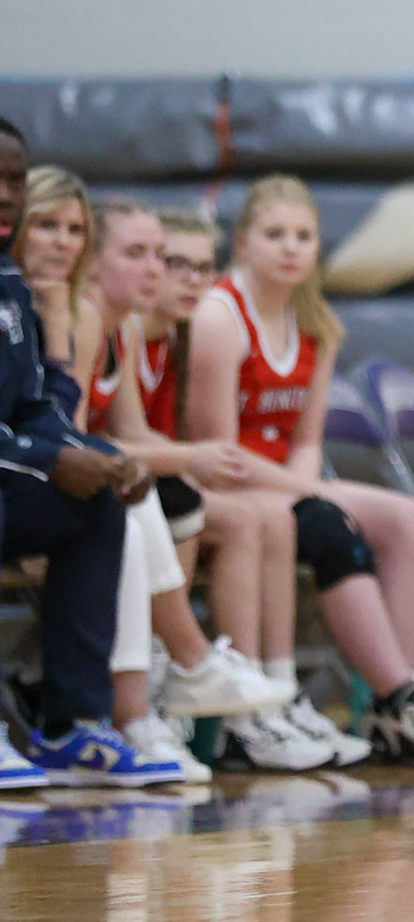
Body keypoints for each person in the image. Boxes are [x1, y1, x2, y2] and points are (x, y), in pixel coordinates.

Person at [185, 174, 414, 767]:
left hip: (286, 483)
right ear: (243, 242)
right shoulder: (220, 317)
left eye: (303, 235)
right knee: (330, 523)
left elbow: (307, 439)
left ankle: (397, 703)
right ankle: (401, 695)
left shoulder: (317, 325)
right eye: (274, 233)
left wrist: (303, 484)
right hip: (229, 483)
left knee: (409, 519)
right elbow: (216, 448)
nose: (290, 247)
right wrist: (305, 489)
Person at [90, 202, 324, 772]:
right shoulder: (101, 323)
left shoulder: (161, 335)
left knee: (232, 513)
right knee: (198, 508)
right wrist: (187, 459)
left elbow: (139, 434)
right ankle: (173, 687)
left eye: (202, 267)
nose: (184, 278)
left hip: (123, 483)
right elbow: (83, 439)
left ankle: (256, 695)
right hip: (82, 488)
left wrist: (182, 460)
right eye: (168, 261)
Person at [0, 118, 184, 788]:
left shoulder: (11, 284)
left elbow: (35, 407)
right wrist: (53, 460)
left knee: (96, 502)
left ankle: (73, 726)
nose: (4, 193)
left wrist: (94, 454)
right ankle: (186, 667)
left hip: (9, 470)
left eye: (14, 179)